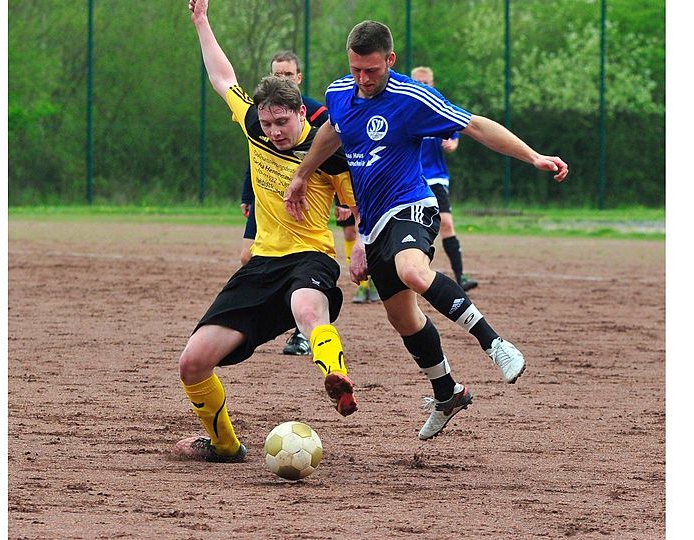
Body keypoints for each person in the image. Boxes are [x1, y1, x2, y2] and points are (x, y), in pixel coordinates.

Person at [284, 20, 568, 441]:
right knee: (403, 318)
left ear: (391, 61)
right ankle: (448, 392)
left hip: (412, 205)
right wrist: (303, 174)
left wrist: (533, 156)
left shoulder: (411, 97)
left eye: (373, 71)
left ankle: (495, 344)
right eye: (357, 69)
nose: (364, 79)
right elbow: (332, 131)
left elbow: (475, 125)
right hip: (375, 223)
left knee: (412, 271)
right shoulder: (339, 92)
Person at [173, 0, 359, 463]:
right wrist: (201, 22)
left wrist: (362, 247)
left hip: (310, 258)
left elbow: (363, 204)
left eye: (283, 122)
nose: (274, 131)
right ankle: (223, 445)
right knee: (192, 363)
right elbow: (222, 78)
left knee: (306, 307)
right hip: (261, 265)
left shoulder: (329, 153)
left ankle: (337, 377)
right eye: (269, 122)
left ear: (301, 113)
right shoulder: (253, 123)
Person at [238, 51, 331, 356]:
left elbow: (336, 153)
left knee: (301, 277)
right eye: (277, 74)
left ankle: (302, 329)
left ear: (298, 79)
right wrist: (246, 195)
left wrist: (346, 203)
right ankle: (287, 316)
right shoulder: (260, 116)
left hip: (301, 207)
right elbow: (253, 155)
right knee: (246, 256)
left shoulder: (319, 115)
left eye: (288, 75)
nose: (282, 80)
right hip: (266, 198)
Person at [411, 66, 477, 292]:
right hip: (409, 180)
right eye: (418, 82)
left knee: (447, 224)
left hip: (436, 178)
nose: (423, 86)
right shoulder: (404, 111)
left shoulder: (437, 111)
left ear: (433, 83)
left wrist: (452, 144)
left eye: (426, 82)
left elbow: (456, 136)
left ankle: (461, 276)